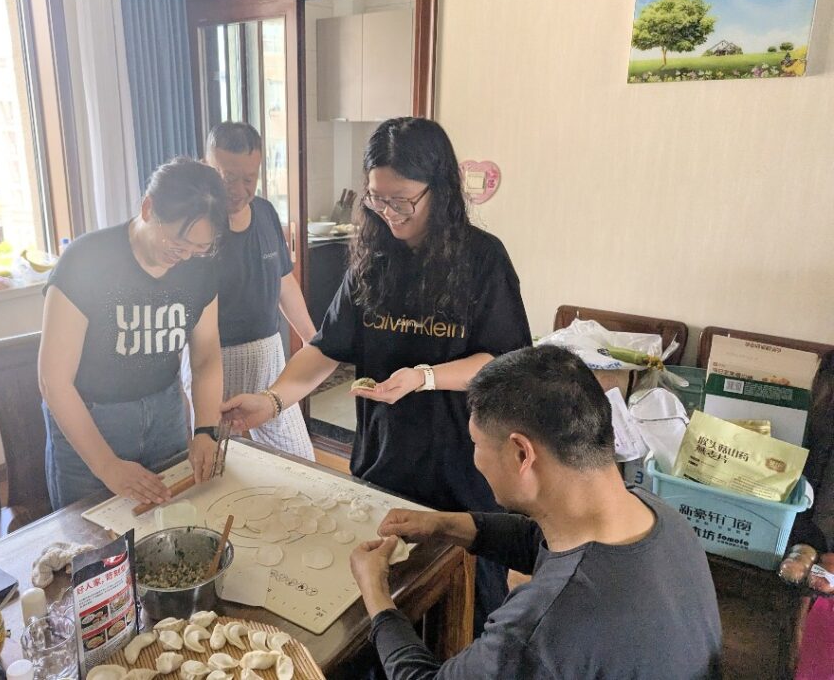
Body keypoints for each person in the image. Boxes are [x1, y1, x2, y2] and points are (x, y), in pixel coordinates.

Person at [222, 117, 532, 625]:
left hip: (462, 473)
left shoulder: (482, 259)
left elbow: (501, 362)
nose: (388, 213)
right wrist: (272, 400)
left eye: (402, 200)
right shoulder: (373, 259)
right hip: (383, 465)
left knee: (464, 613)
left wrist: (425, 376)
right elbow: (326, 347)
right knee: (381, 607)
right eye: (376, 199)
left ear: (441, 189)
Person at [349, 345, 723, 679]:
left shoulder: (536, 631)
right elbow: (544, 543)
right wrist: (445, 524)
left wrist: (378, 596)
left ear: (521, 454)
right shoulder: (658, 516)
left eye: (476, 444)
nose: (474, 456)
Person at [39, 157, 227, 510]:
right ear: (147, 208)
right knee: (93, 547)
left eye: (198, 248)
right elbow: (54, 381)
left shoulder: (200, 267)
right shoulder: (87, 260)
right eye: (177, 242)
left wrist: (205, 430)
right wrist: (107, 466)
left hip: (166, 414)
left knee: (172, 526)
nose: (184, 256)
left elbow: (205, 357)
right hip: (94, 420)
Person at [203, 121, 316, 460]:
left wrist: (314, 340)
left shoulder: (265, 212)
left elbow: (283, 281)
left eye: (248, 178)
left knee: (299, 461)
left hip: (269, 354)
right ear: (207, 166)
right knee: (217, 465)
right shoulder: (196, 227)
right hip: (213, 361)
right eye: (227, 177)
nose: (238, 189)